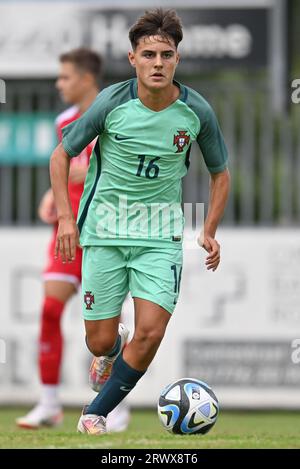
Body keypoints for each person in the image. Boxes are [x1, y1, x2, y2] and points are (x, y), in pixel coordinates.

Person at [49, 8, 231, 435]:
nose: (158, 63)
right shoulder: (112, 103)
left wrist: (208, 230)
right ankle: (110, 349)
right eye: (148, 55)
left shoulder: (196, 111)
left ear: (177, 60)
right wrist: (65, 219)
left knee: (150, 333)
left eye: (166, 55)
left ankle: (96, 411)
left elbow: (220, 173)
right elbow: (62, 155)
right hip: (104, 232)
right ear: (133, 59)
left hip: (160, 236)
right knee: (98, 341)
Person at [16, 48, 130, 432]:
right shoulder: (63, 120)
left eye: (64, 77)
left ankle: (113, 407)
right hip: (66, 234)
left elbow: (102, 167)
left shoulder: (116, 112)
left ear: (85, 78)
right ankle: (49, 403)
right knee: (49, 311)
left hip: (104, 233)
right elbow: (64, 165)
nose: (58, 84)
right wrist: (53, 193)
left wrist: (67, 177)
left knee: (104, 334)